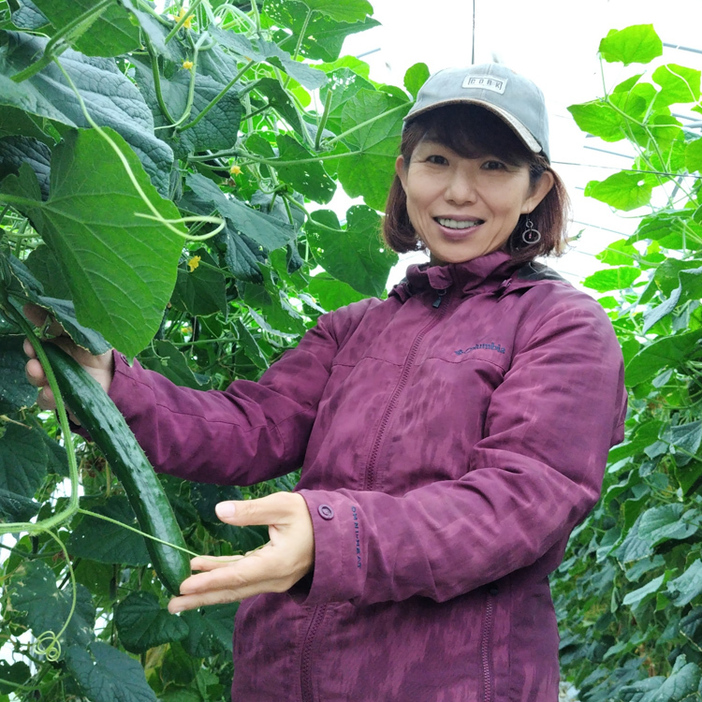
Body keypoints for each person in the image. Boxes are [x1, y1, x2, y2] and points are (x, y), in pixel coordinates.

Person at [25, 63, 627, 701]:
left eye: (494, 168)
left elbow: (519, 503)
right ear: (403, 173)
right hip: (278, 677)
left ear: (537, 190)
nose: (458, 191)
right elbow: (250, 429)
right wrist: (116, 387)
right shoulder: (354, 328)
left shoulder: (563, 327)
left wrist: (334, 535)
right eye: (438, 160)